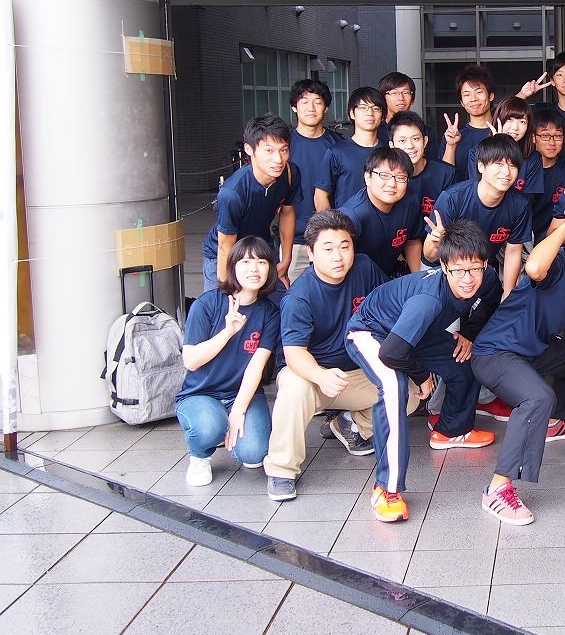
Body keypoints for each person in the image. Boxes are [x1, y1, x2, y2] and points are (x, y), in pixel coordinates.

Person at [346, 220, 502, 522]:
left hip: (417, 332)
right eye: (458, 270)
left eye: (475, 268)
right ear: (443, 266)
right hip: (374, 333)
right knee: (394, 389)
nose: (468, 279)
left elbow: (492, 301)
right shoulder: (428, 300)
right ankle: (386, 489)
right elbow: (391, 353)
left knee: (465, 360)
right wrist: (421, 376)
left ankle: (451, 430)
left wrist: (469, 333)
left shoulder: (487, 278)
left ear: (485, 264)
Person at [470, 202, 565, 525]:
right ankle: (497, 488)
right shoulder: (558, 263)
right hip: (496, 352)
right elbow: (534, 268)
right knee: (538, 398)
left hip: (533, 351)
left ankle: (556, 421)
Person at [263, 211, 387, 502]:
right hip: (310, 374)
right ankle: (281, 470)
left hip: (355, 373)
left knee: (406, 392)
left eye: (344, 247)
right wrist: (320, 375)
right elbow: (294, 353)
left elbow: (388, 305)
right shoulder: (299, 296)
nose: (338, 257)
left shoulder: (365, 268)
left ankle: (349, 424)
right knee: (294, 388)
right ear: (311, 253)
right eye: (328, 249)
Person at [178, 236, 280, 486]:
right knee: (209, 428)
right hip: (201, 393)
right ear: (233, 267)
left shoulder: (269, 313)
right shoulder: (207, 303)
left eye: (261, 262)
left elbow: (256, 366)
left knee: (255, 453)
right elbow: (191, 361)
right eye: (245, 262)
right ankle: (200, 455)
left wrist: (238, 411)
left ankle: (229, 430)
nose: (254, 269)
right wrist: (227, 333)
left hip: (240, 394)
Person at [202, 114, 299, 292]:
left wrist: (285, 260)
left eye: (284, 150)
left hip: (261, 248)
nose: (278, 159)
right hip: (225, 254)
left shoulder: (290, 173)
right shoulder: (232, 194)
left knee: (277, 303)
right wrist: (228, 290)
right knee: (223, 305)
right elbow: (225, 247)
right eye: (269, 151)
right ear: (249, 149)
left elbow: (287, 213)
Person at [428, 134, 532, 298]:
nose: (506, 172)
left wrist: (508, 296)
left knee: (494, 299)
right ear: (481, 166)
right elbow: (429, 256)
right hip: (442, 270)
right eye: (499, 164)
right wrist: (436, 244)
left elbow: (513, 252)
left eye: (512, 165)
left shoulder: (519, 204)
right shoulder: (452, 198)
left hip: (479, 270)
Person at [339, 147, 425, 278]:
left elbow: (412, 242)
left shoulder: (410, 202)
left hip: (389, 277)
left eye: (400, 177)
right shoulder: (353, 216)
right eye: (384, 175)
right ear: (368, 177)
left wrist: (418, 280)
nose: (392, 184)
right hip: (356, 280)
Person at [286, 79, 339, 282]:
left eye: (317, 102)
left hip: (331, 238)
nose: (311, 108)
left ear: (326, 108)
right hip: (294, 240)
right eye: (304, 101)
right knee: (294, 294)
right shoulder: (284, 146)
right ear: (294, 107)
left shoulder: (339, 145)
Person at [315, 87, 385, 210]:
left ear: (382, 115)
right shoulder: (337, 152)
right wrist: (331, 222)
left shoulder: (389, 151)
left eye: (376, 108)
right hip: (346, 220)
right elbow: (321, 195)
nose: (370, 113)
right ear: (352, 113)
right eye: (363, 108)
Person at [470, 96, 545, 200]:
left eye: (522, 122)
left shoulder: (533, 157)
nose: (515, 127)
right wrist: (498, 146)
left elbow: (529, 200)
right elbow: (477, 191)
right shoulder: (476, 152)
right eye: (509, 119)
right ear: (498, 119)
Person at [389, 110, 457, 225]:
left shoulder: (445, 173)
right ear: (392, 145)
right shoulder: (388, 178)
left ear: (425, 141)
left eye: (415, 139)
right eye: (402, 141)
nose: (410, 146)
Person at [529, 110, 565, 239]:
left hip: (559, 237)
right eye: (545, 136)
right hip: (522, 238)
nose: (552, 142)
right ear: (533, 138)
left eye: (558, 136)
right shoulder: (522, 168)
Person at [448, 63, 500, 171]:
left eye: (479, 92)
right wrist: (451, 146)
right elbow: (444, 175)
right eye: (467, 95)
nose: (473, 99)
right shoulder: (453, 135)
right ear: (462, 102)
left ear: (491, 96)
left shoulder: (502, 132)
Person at [378, 71, 417, 143]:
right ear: (383, 98)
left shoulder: (424, 131)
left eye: (406, 93)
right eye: (394, 93)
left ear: (413, 99)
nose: (401, 98)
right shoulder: (375, 132)